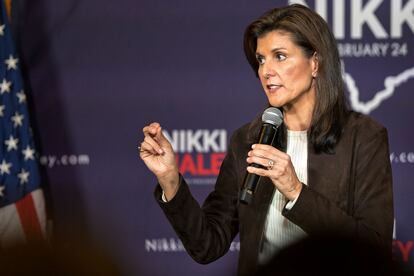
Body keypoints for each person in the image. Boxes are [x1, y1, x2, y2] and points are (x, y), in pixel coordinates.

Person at [138, 4, 393, 276]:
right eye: (261, 60)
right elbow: (207, 245)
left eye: (280, 56)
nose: (266, 71)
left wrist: (296, 191)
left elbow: (373, 247)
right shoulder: (247, 140)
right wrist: (170, 179)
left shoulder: (363, 137)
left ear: (315, 63)